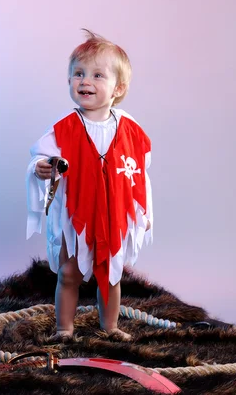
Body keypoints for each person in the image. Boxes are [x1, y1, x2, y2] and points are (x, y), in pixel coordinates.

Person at [25, 29, 153, 342]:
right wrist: (41, 169)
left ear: (118, 88)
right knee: (69, 273)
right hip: (75, 214)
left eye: (97, 75)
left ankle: (110, 328)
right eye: (78, 74)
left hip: (113, 216)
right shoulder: (63, 128)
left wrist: (144, 212)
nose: (85, 81)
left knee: (111, 276)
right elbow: (40, 158)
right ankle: (64, 330)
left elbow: (140, 173)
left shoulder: (131, 130)